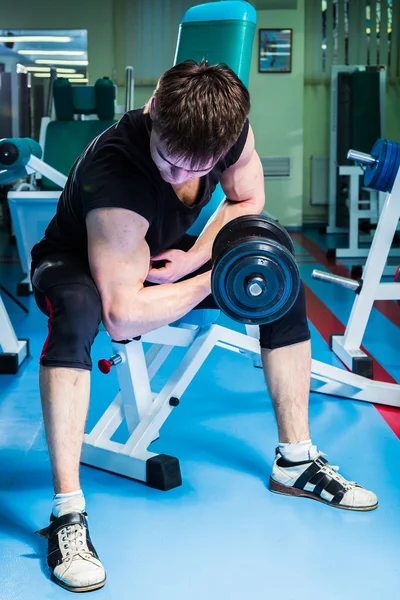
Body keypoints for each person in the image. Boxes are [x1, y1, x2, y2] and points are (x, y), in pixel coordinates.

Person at [32, 60, 377, 594]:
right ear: (154, 118)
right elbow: (121, 318)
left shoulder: (229, 128)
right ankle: (66, 515)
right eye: (170, 162)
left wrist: (196, 258)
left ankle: (295, 461)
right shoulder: (118, 171)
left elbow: (246, 198)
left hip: (159, 253)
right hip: (81, 260)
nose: (180, 178)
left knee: (277, 277)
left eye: (198, 168)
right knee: (78, 316)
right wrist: (212, 276)